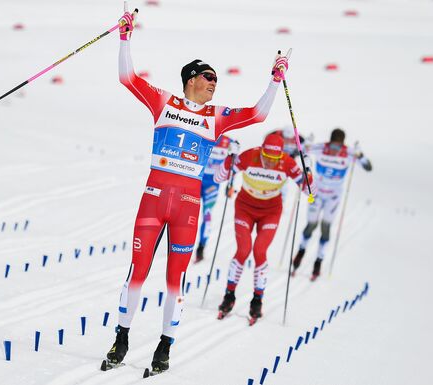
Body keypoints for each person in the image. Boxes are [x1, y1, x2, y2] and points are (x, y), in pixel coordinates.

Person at [102, 8, 290, 374]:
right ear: (190, 78)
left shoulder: (217, 116)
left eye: (216, 80)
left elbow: (258, 114)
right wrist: (125, 37)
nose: (213, 83)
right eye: (207, 77)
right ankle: (120, 339)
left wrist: (275, 80)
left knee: (176, 279)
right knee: (137, 272)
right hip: (153, 200)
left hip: (187, 205)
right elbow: (128, 77)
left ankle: (164, 348)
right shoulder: (164, 102)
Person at [214, 133, 314, 323]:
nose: (269, 162)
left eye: (273, 159)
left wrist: (307, 170)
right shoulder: (249, 156)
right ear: (261, 150)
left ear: (281, 156)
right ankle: (229, 295)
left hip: (270, 211)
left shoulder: (286, 162)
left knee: (260, 251)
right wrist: (230, 158)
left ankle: (257, 299)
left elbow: (309, 191)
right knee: (243, 250)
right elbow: (220, 177)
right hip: (245, 208)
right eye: (266, 157)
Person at [292, 128, 372, 281]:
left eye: (338, 147)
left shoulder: (348, 153)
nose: (334, 150)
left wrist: (360, 155)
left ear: (343, 145)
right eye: (332, 146)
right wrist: (305, 144)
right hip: (316, 193)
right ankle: (300, 253)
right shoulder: (321, 148)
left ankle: (318, 262)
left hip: (333, 197)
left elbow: (368, 167)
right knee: (311, 224)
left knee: (326, 227)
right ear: (329, 143)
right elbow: (298, 152)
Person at [194, 135, 239, 263]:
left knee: (207, 215)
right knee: (188, 214)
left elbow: (232, 165)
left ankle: (201, 248)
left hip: (212, 184)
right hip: (195, 180)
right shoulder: (203, 135)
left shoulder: (229, 142)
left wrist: (231, 184)